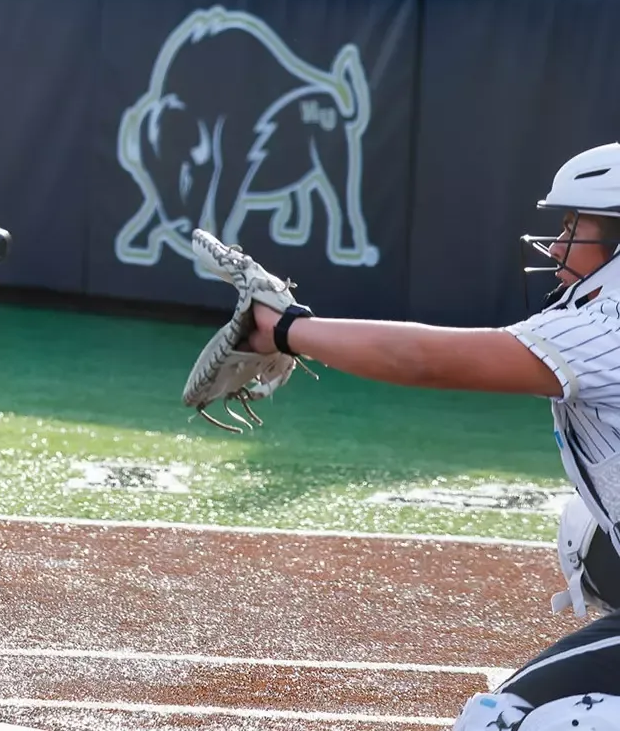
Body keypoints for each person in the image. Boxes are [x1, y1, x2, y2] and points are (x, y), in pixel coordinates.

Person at [218, 142, 620, 726]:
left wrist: (284, 330)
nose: (557, 246)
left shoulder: (609, 326)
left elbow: (424, 359)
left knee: (506, 719)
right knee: (587, 535)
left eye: (574, 226)